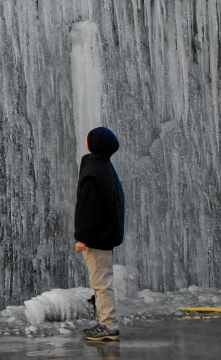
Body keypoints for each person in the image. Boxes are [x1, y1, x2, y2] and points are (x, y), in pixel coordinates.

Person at [74, 126, 125, 342]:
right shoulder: (105, 168)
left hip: (97, 238)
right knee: (101, 281)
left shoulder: (93, 172)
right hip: (106, 235)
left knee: (101, 284)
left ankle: (109, 326)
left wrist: (82, 236)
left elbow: (88, 208)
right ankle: (104, 321)